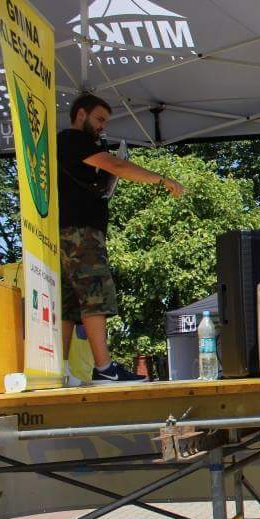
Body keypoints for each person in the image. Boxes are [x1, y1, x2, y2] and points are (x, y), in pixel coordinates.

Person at [59, 93, 185, 385]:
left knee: (69, 303)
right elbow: (117, 166)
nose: (102, 126)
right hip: (81, 233)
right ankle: (104, 368)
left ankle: (60, 369)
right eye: (99, 119)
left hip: (66, 231)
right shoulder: (75, 140)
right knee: (94, 296)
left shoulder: (66, 143)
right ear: (81, 114)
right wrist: (162, 179)